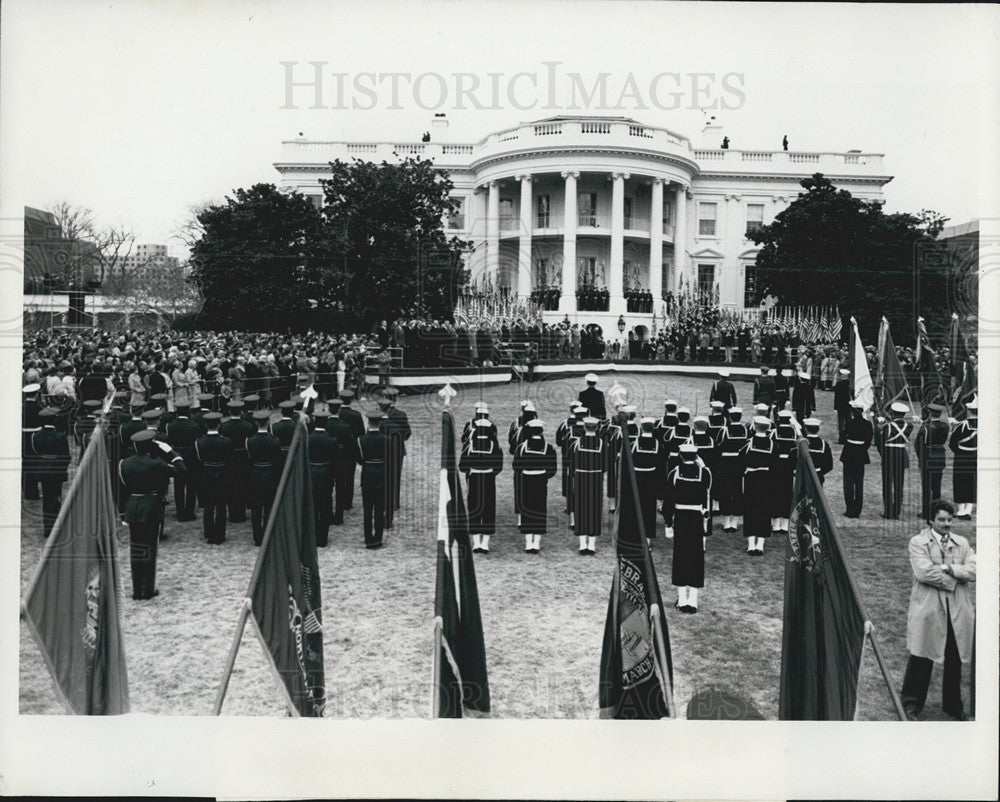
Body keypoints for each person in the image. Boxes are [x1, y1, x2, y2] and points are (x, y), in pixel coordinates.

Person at [901, 500, 976, 721]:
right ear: (930, 520)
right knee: (921, 656)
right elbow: (923, 572)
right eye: (941, 519)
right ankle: (911, 704)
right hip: (929, 608)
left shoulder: (961, 543)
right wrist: (954, 579)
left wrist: (948, 567)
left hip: (957, 609)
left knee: (954, 659)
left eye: (949, 520)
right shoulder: (918, 542)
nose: (946, 524)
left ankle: (953, 705)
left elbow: (975, 569)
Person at [118, 429, 186, 600]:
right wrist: (171, 453)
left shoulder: (124, 464)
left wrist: (122, 514)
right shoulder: (156, 464)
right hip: (150, 506)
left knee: (136, 549)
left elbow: (121, 491)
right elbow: (181, 470)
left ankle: (137, 590)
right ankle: (147, 589)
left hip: (132, 506)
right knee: (150, 548)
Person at [663, 443, 712, 612]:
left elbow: (668, 501)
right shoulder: (704, 473)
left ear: (680, 456)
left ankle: (682, 600)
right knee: (696, 557)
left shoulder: (674, 473)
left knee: (681, 556)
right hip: (697, 518)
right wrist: (701, 464)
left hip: (681, 518)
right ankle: (693, 601)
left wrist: (668, 523)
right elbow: (708, 494)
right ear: (696, 456)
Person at [512, 419, 558, 554]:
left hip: (526, 481)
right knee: (539, 509)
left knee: (527, 509)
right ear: (541, 431)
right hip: (540, 481)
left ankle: (528, 543)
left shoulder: (521, 447)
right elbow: (552, 468)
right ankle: (536, 543)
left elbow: (516, 466)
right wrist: (543, 476)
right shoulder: (548, 448)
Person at [460, 419, 504, 554]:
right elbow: (499, 466)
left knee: (474, 508)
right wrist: (489, 473)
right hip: (489, 480)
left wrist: (472, 471)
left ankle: (476, 543)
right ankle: (485, 544)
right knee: (488, 509)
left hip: (474, 479)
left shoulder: (469, 445)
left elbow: (462, 466)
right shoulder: (494, 446)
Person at [32, 408, 71, 538]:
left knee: (46, 499)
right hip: (56, 471)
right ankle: (55, 529)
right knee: (56, 499)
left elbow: (37, 453)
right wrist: (62, 469)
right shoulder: (60, 436)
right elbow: (66, 457)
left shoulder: (36, 435)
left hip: (43, 470)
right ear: (55, 420)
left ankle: (47, 529)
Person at [741, 416, 777, 555]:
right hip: (766, 479)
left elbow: (740, 459)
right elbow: (776, 465)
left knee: (750, 509)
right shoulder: (773, 444)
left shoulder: (749, 442)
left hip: (751, 479)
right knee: (764, 510)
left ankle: (751, 544)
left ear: (754, 427)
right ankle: (760, 544)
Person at [570, 417, 606, 554]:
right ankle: (591, 545)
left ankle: (582, 544)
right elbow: (606, 464)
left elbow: (571, 462)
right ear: (597, 428)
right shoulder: (602, 444)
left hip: (580, 477)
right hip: (595, 478)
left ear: (584, 427)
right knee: (594, 509)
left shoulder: (577, 443)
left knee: (580, 508)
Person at [195, 411, 232, 544]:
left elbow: (200, 459)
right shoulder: (226, 441)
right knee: (221, 505)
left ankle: (209, 533)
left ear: (206, 425)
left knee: (208, 506)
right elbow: (229, 460)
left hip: (207, 473)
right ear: (219, 425)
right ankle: (220, 535)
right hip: (222, 474)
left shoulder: (200, 442)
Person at [246, 410, 282, 546]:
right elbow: (277, 461)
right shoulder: (274, 441)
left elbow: (249, 460)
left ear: (256, 423)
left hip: (255, 474)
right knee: (268, 508)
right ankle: (267, 535)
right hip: (270, 475)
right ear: (268, 422)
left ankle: (257, 537)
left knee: (256, 509)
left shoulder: (250, 441)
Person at [307, 409, 341, 547]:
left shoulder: (308, 438)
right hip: (326, 475)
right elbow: (336, 461)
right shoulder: (331, 440)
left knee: (313, 506)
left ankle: (313, 536)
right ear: (326, 423)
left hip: (311, 474)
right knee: (325, 506)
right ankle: (322, 538)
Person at [632, 417, 667, 545]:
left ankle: (634, 537)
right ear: (653, 428)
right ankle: (647, 540)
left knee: (635, 508)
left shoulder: (633, 444)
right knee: (649, 510)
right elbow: (662, 468)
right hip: (651, 481)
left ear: (641, 428)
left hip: (636, 480)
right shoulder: (659, 445)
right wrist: (660, 488)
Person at [378, 388, 411, 527]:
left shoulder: (378, 414)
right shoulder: (401, 414)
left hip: (382, 450)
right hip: (397, 450)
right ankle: (394, 502)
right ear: (395, 399)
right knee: (395, 476)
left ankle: (385, 501)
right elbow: (407, 433)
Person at [165, 400, 201, 521]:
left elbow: (169, 442)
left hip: (177, 457)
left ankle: (180, 512)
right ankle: (189, 512)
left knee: (178, 486)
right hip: (191, 457)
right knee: (191, 486)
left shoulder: (170, 426)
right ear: (188, 411)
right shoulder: (194, 426)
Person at [357, 411, 388, 549]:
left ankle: (368, 539)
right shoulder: (387, 439)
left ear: (368, 423)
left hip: (367, 474)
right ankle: (378, 539)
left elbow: (360, 460)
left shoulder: (361, 440)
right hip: (382, 475)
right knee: (380, 509)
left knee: (368, 510)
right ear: (380, 423)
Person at [219, 399, 253, 524]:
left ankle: (233, 513)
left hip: (228, 459)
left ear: (229, 411)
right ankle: (241, 513)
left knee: (230, 485)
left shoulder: (223, 426)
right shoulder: (248, 426)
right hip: (243, 458)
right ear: (241, 411)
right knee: (242, 484)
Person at [877, 401, 913, 520]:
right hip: (901, 454)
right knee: (899, 484)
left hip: (889, 454)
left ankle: (888, 511)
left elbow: (880, 442)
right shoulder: (909, 426)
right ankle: (896, 511)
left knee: (887, 484)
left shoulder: (887, 426)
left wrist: (879, 427)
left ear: (893, 413)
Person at [915, 403, 950, 521]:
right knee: (936, 487)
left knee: (926, 487)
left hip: (928, 458)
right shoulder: (945, 426)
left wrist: (921, 459)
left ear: (930, 413)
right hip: (940, 458)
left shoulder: (925, 427)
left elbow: (918, 446)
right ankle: (936, 511)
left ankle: (926, 512)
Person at [715, 406, 748, 532]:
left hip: (726, 465)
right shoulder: (745, 430)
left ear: (729, 417)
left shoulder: (724, 430)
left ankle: (727, 522)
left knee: (725, 492)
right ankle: (734, 522)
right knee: (737, 492)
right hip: (739, 464)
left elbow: (718, 446)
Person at [840, 400, 874, 518]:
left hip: (849, 453)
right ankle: (857, 510)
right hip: (860, 454)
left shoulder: (849, 422)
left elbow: (842, 437)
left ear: (853, 412)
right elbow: (869, 440)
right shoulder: (867, 424)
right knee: (859, 483)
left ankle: (850, 510)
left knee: (848, 483)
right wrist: (862, 448)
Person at [949, 398, 977, 519]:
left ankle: (961, 510)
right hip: (975, 457)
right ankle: (968, 510)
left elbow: (952, 443)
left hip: (961, 457)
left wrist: (959, 453)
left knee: (960, 482)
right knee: (972, 482)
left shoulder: (962, 425)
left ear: (969, 411)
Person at [771, 409, 799, 532]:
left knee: (776, 493)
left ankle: (776, 523)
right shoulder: (795, 433)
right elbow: (796, 451)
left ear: (779, 420)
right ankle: (785, 523)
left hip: (777, 466)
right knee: (787, 494)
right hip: (789, 467)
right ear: (789, 420)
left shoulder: (774, 432)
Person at [22, 383, 43, 501]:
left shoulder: (21, 407)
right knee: (34, 464)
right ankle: (33, 493)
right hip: (35, 438)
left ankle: (26, 491)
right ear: (36, 395)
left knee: (25, 464)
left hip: (24, 437)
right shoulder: (38, 408)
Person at [803, 418, 833, 484]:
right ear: (818, 429)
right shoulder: (824, 444)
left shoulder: (801, 443)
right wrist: (819, 472)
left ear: (805, 429)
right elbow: (829, 465)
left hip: (803, 477)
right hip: (818, 477)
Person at [833, 368, 852, 444]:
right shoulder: (850, 384)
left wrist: (835, 407)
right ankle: (848, 436)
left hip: (840, 406)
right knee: (848, 422)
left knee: (841, 423)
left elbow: (837, 397)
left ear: (843, 376)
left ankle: (842, 438)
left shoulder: (839, 384)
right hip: (848, 406)